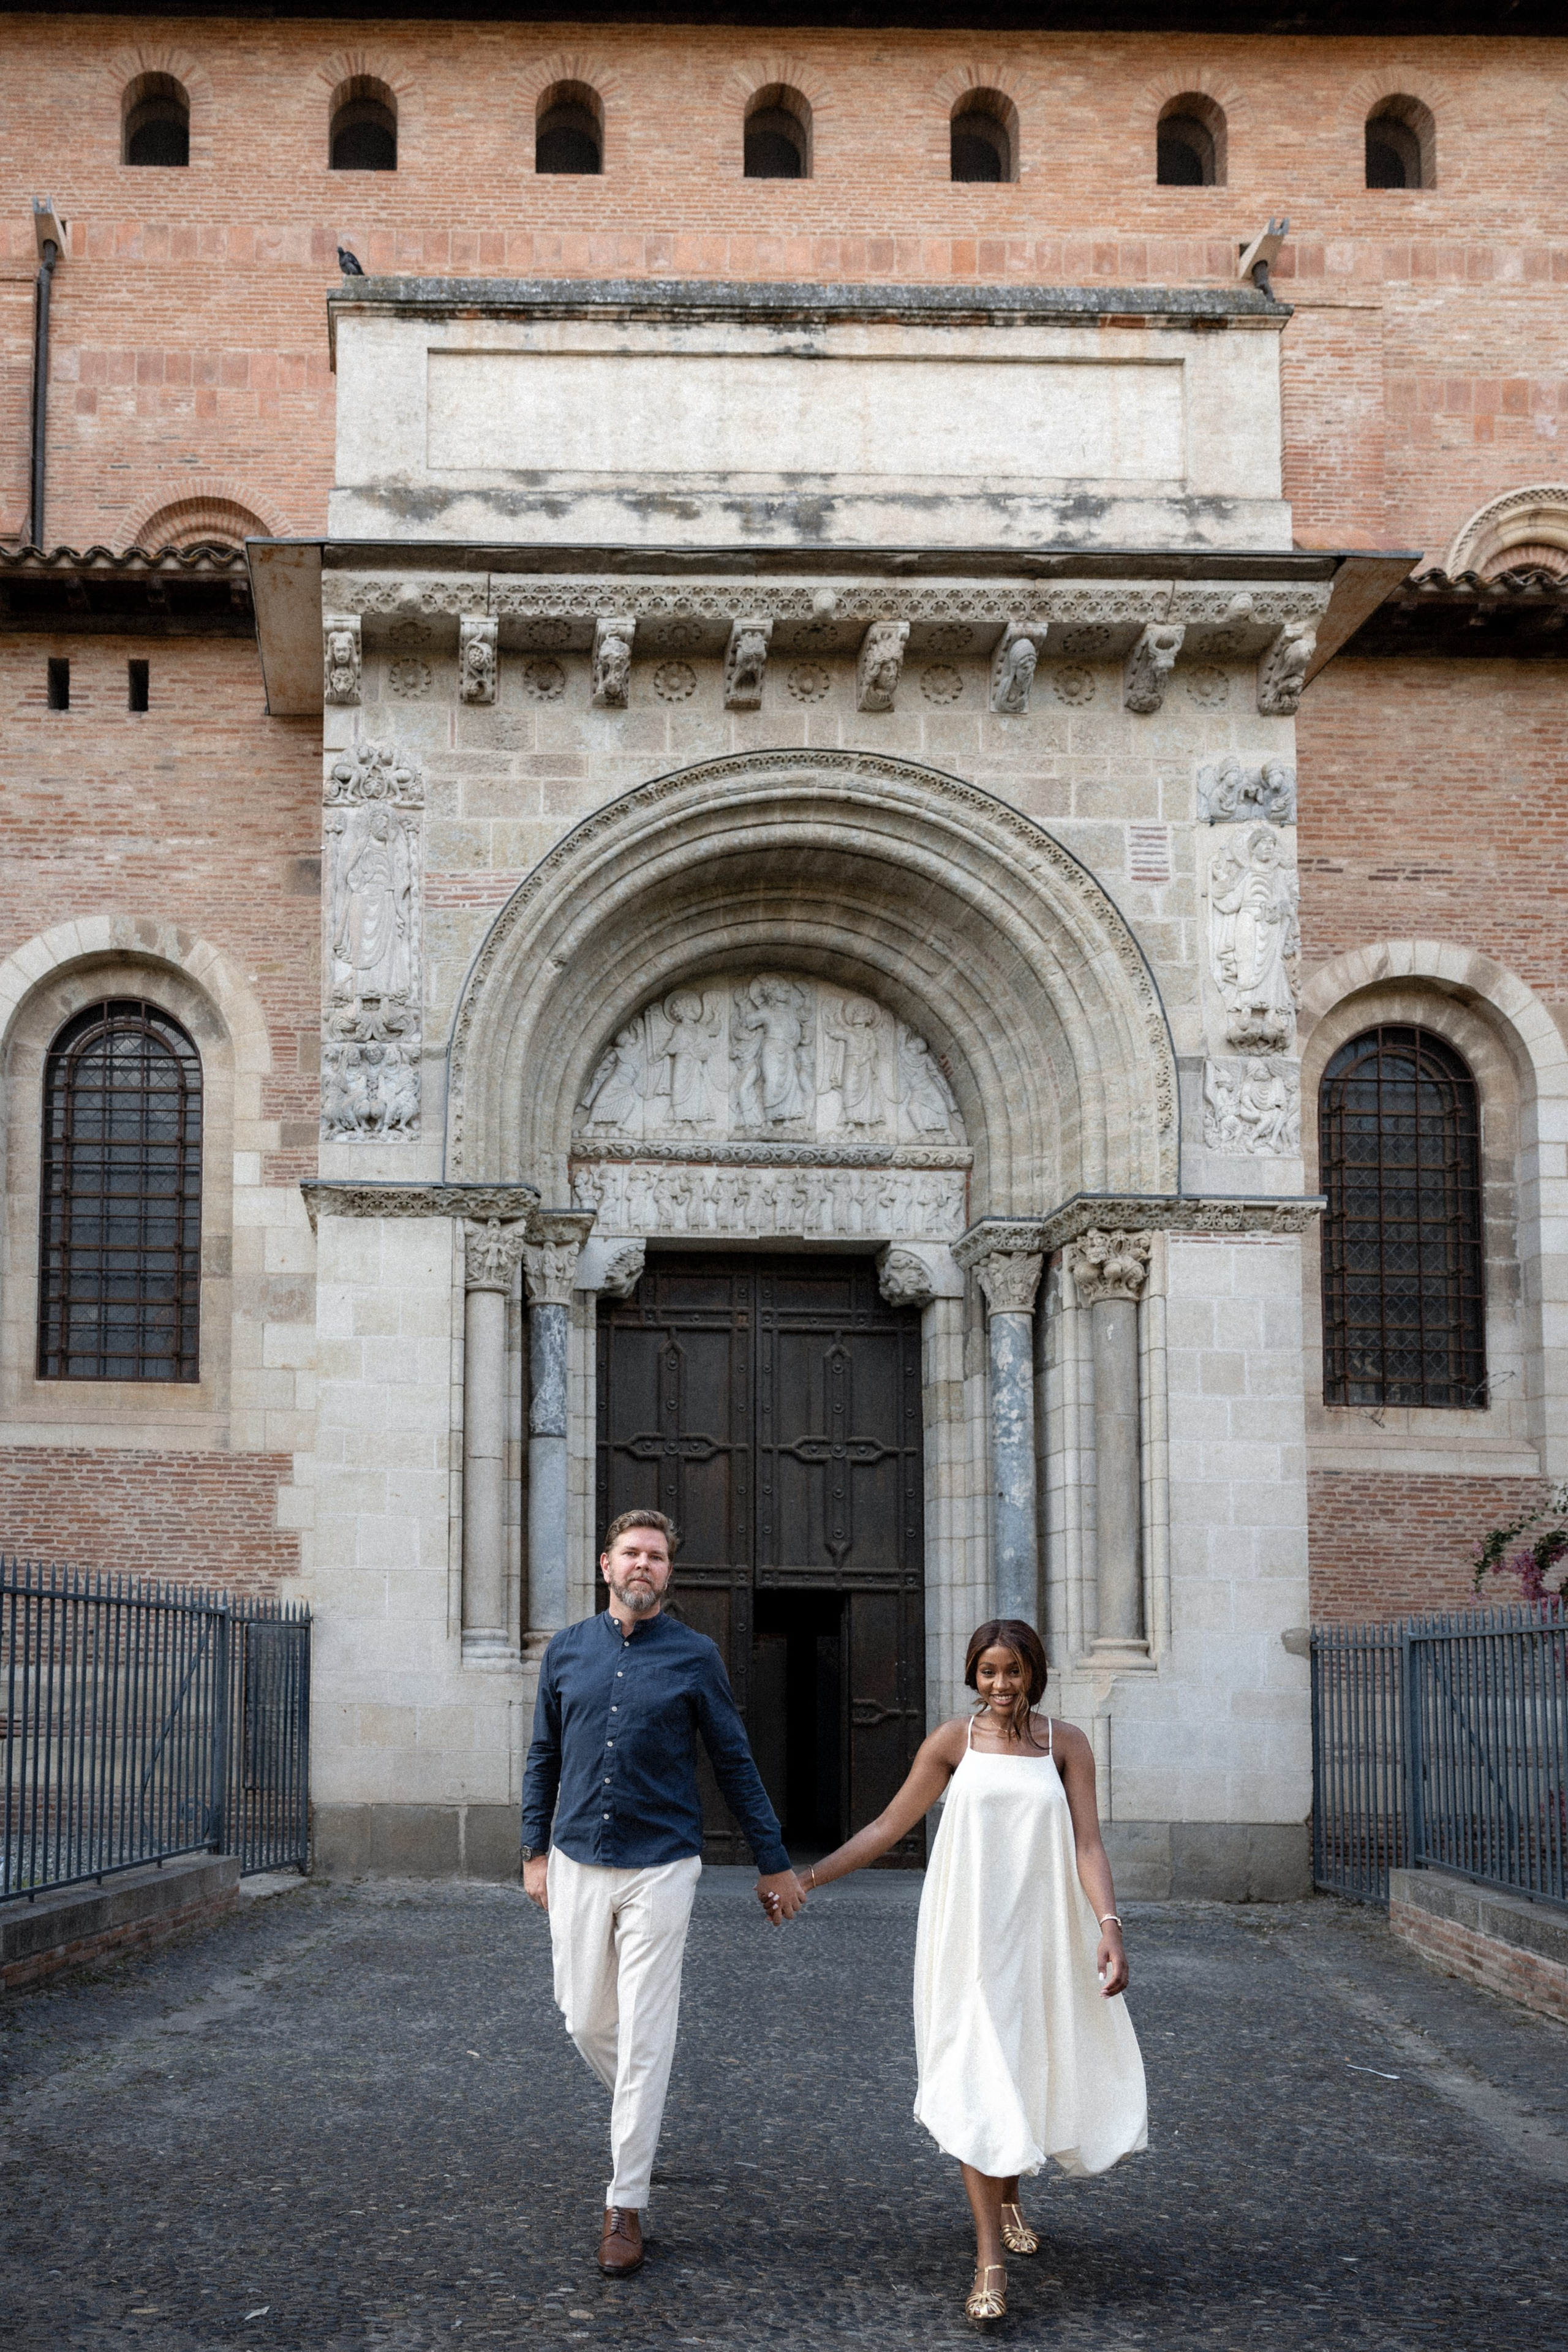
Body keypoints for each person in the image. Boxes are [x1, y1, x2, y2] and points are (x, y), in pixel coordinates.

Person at [798, 1618, 1147, 2324]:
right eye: (988, 1672)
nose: (999, 1685)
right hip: (968, 1934)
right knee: (979, 2068)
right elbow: (886, 1828)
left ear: (1033, 1674)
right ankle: (989, 2255)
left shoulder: (1065, 1744)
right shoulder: (951, 1742)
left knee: (1021, 2062)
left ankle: (1012, 2193)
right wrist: (807, 1877)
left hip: (1042, 1931)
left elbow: (1087, 1844)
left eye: (1012, 1672)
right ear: (972, 1675)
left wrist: (1109, 1927)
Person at [521, 1509, 806, 2278]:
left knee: (646, 2032)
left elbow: (734, 1761)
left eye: (656, 1556)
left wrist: (774, 1862)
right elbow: (542, 1754)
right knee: (584, 2019)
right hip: (576, 1856)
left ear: (668, 1573)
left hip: (662, 1865)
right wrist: (531, 1854)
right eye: (630, 1554)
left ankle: (626, 2201)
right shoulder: (566, 1652)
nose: (642, 1565)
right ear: (605, 1566)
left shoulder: (695, 1657)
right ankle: (636, 2116)